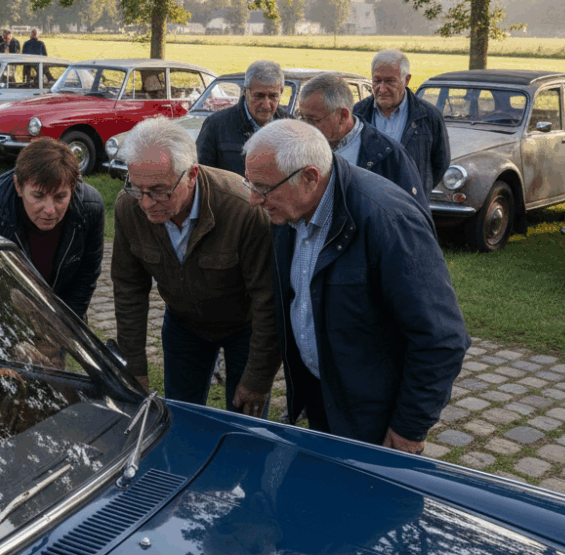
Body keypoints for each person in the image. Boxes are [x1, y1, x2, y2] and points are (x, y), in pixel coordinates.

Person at [243, 119, 470, 453]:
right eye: (251, 184)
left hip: (375, 414)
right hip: (323, 394)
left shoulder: (388, 221)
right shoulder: (288, 210)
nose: (253, 200)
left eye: (263, 188)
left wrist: (409, 427)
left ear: (309, 177)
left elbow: (441, 339)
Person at [112, 117, 281, 418]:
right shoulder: (129, 207)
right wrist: (133, 366)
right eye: (137, 188)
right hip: (184, 324)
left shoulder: (243, 209)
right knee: (181, 413)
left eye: (159, 191)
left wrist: (258, 377)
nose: (147, 203)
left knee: (246, 420)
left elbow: (268, 298)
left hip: (246, 327)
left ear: (191, 174)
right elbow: (129, 290)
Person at [0, 137, 105, 319]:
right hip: (1, 322)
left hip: (64, 320)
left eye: (60, 197)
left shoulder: (90, 207)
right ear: (18, 186)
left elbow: (86, 277)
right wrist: (12, 341)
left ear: (73, 187)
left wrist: (63, 331)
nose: (50, 210)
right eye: (38, 196)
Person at [296, 73, 428, 213]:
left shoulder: (389, 156)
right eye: (301, 117)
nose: (305, 126)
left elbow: (412, 217)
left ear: (343, 116)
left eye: (313, 120)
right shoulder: (297, 147)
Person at [352, 49, 450, 197]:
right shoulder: (358, 114)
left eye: (390, 81)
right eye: (377, 81)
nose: (382, 89)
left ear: (407, 80)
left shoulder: (428, 116)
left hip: (411, 206)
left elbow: (440, 163)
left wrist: (419, 190)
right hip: (368, 204)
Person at [196, 60, 289, 176]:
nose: (266, 105)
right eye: (259, 96)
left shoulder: (290, 127)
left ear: (281, 92)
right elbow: (202, 177)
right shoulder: (215, 125)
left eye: (273, 96)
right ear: (245, 91)